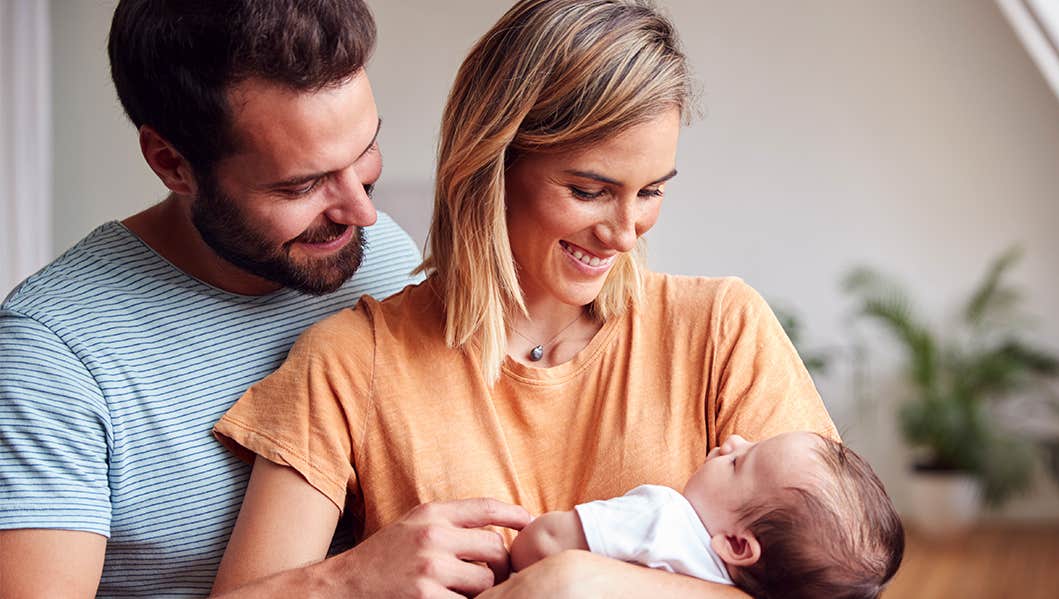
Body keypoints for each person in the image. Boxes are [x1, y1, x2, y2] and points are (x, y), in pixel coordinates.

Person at [210, 0, 840, 597]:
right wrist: (350, 582)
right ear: (492, 166)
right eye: (590, 190)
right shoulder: (352, 363)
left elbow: (836, 582)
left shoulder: (722, 332)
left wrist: (582, 584)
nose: (625, 232)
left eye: (650, 191)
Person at [0, 1, 433, 596]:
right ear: (172, 164)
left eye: (363, 154)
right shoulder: (51, 359)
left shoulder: (379, 254)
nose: (363, 211)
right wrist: (346, 583)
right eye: (301, 184)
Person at [509, 432, 905, 599]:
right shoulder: (749, 587)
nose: (731, 440)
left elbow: (541, 544)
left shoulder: (662, 519)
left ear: (735, 543)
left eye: (737, 463)